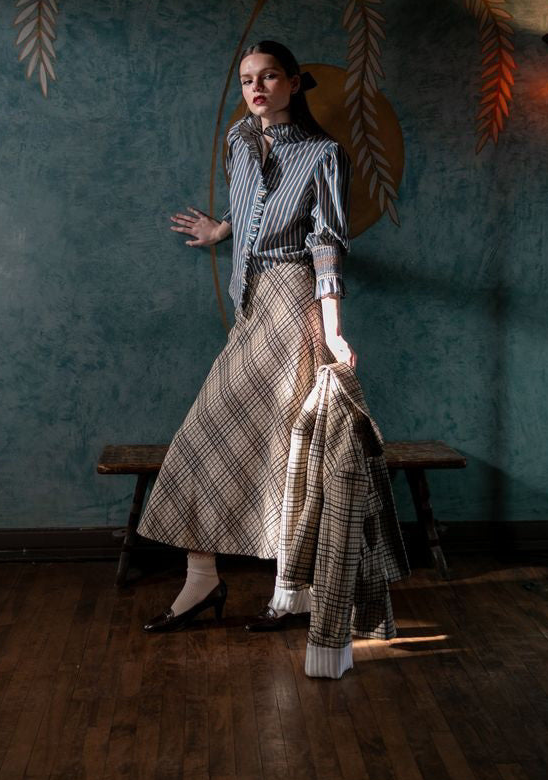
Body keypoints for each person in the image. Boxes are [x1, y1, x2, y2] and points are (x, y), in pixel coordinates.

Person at [138, 40, 377, 662]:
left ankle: (291, 593)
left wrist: (333, 330)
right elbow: (250, 209)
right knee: (204, 440)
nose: (257, 88)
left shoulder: (324, 154)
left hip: (294, 304)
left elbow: (328, 245)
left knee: (287, 454)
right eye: (248, 79)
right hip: (251, 307)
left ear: (295, 83)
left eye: (269, 77)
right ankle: (202, 580)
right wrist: (221, 229)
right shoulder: (239, 141)